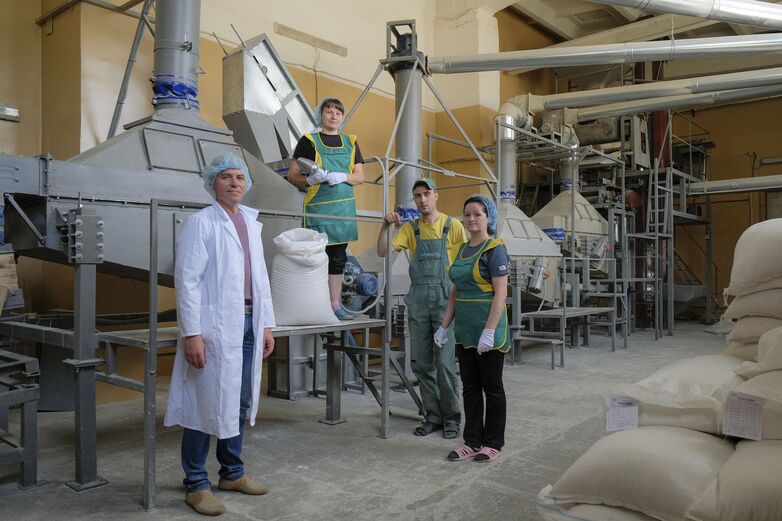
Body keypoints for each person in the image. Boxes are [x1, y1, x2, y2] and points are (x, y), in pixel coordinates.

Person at [164, 153, 276, 516]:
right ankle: (195, 484)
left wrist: (267, 324)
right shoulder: (202, 222)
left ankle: (232, 472)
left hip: (247, 323)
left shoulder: (251, 223)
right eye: (226, 177)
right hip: (213, 327)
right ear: (213, 183)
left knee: (239, 401)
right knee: (203, 402)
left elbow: (260, 280)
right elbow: (188, 280)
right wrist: (191, 333)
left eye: (240, 178)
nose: (234, 183)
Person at [377, 178, 467, 439]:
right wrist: (386, 226)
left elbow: (466, 261)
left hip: (445, 298)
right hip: (418, 300)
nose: (422, 200)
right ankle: (433, 416)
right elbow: (383, 251)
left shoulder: (453, 226)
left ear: (436, 195)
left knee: (446, 364)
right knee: (421, 364)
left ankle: (452, 418)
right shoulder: (410, 229)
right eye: (417, 196)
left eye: (426, 194)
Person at [435, 194, 510, 463]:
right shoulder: (462, 250)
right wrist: (444, 327)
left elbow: (500, 294)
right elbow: (456, 292)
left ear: (488, 218)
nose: (471, 219)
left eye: (477, 214)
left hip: (489, 330)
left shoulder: (495, 249)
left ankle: (493, 443)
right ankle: (471, 441)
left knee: (492, 387)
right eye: (467, 214)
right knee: (469, 387)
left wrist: (489, 331)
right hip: (465, 331)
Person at [287, 97, 365, 321]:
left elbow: (360, 177)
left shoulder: (351, 142)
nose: (333, 116)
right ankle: (314, 304)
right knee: (315, 257)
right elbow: (292, 174)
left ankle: (334, 304)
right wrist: (311, 180)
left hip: (343, 209)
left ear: (342, 117)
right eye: (329, 111)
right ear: (320, 114)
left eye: (338, 113)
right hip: (317, 209)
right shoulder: (308, 141)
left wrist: (343, 176)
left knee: (338, 258)